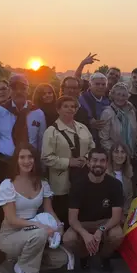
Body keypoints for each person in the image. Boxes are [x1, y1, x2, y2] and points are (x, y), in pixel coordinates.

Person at [0, 74, 46, 247]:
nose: (19, 91)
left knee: (28, 195)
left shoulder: (37, 113)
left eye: (22, 88)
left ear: (28, 89)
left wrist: (41, 166)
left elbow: (41, 140)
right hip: (6, 162)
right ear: (10, 90)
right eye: (15, 88)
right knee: (2, 199)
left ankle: (29, 230)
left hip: (29, 163)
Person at [0, 143, 68, 273]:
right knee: (40, 234)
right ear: (16, 160)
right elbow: (11, 220)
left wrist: (59, 225)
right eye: (22, 157)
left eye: (30, 157)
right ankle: (23, 267)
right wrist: (38, 225)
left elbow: (49, 210)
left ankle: (27, 258)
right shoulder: (7, 185)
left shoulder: (43, 183)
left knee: (62, 259)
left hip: (35, 232)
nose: (27, 161)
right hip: (11, 234)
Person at [62, 148, 125, 273]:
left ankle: (104, 257)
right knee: (68, 239)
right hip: (83, 223)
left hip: (105, 222)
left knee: (117, 235)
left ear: (107, 163)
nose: (98, 164)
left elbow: (116, 217)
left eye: (102, 161)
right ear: (88, 163)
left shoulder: (115, 184)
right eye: (94, 160)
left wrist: (101, 230)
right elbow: (72, 219)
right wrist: (85, 234)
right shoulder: (77, 184)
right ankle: (85, 256)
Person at [41, 96, 95, 230]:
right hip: (62, 182)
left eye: (73, 106)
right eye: (66, 106)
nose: (70, 109)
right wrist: (69, 162)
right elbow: (46, 157)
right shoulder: (51, 132)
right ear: (58, 109)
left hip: (82, 178)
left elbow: (92, 147)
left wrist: (86, 158)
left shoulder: (83, 128)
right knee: (63, 214)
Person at [99, 83, 137, 159]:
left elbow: (136, 133)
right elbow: (104, 140)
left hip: (132, 155)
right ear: (113, 95)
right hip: (115, 157)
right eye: (118, 94)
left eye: (124, 95)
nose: (121, 98)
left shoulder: (131, 111)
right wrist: (118, 153)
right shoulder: (107, 113)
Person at [78, 72, 110, 143]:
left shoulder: (108, 100)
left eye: (103, 84)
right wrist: (88, 122)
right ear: (90, 85)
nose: (100, 87)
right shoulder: (82, 100)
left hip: (104, 139)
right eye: (97, 84)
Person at [107, 143, 134, 221]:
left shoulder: (129, 173)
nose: (120, 155)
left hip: (125, 214)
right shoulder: (105, 173)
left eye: (122, 152)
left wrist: (125, 214)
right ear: (111, 155)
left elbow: (129, 198)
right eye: (116, 152)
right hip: (108, 215)